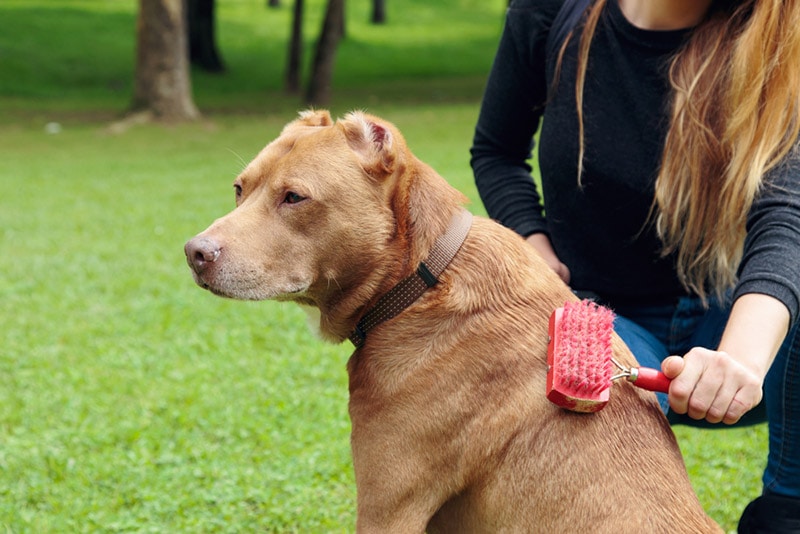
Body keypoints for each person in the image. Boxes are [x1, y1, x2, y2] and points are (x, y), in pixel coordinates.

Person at [470, 0, 800, 531]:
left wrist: (738, 359)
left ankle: (787, 512)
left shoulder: (775, 41)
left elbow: (786, 215)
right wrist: (533, 245)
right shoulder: (548, 13)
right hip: (604, 316)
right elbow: (496, 150)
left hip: (735, 325)